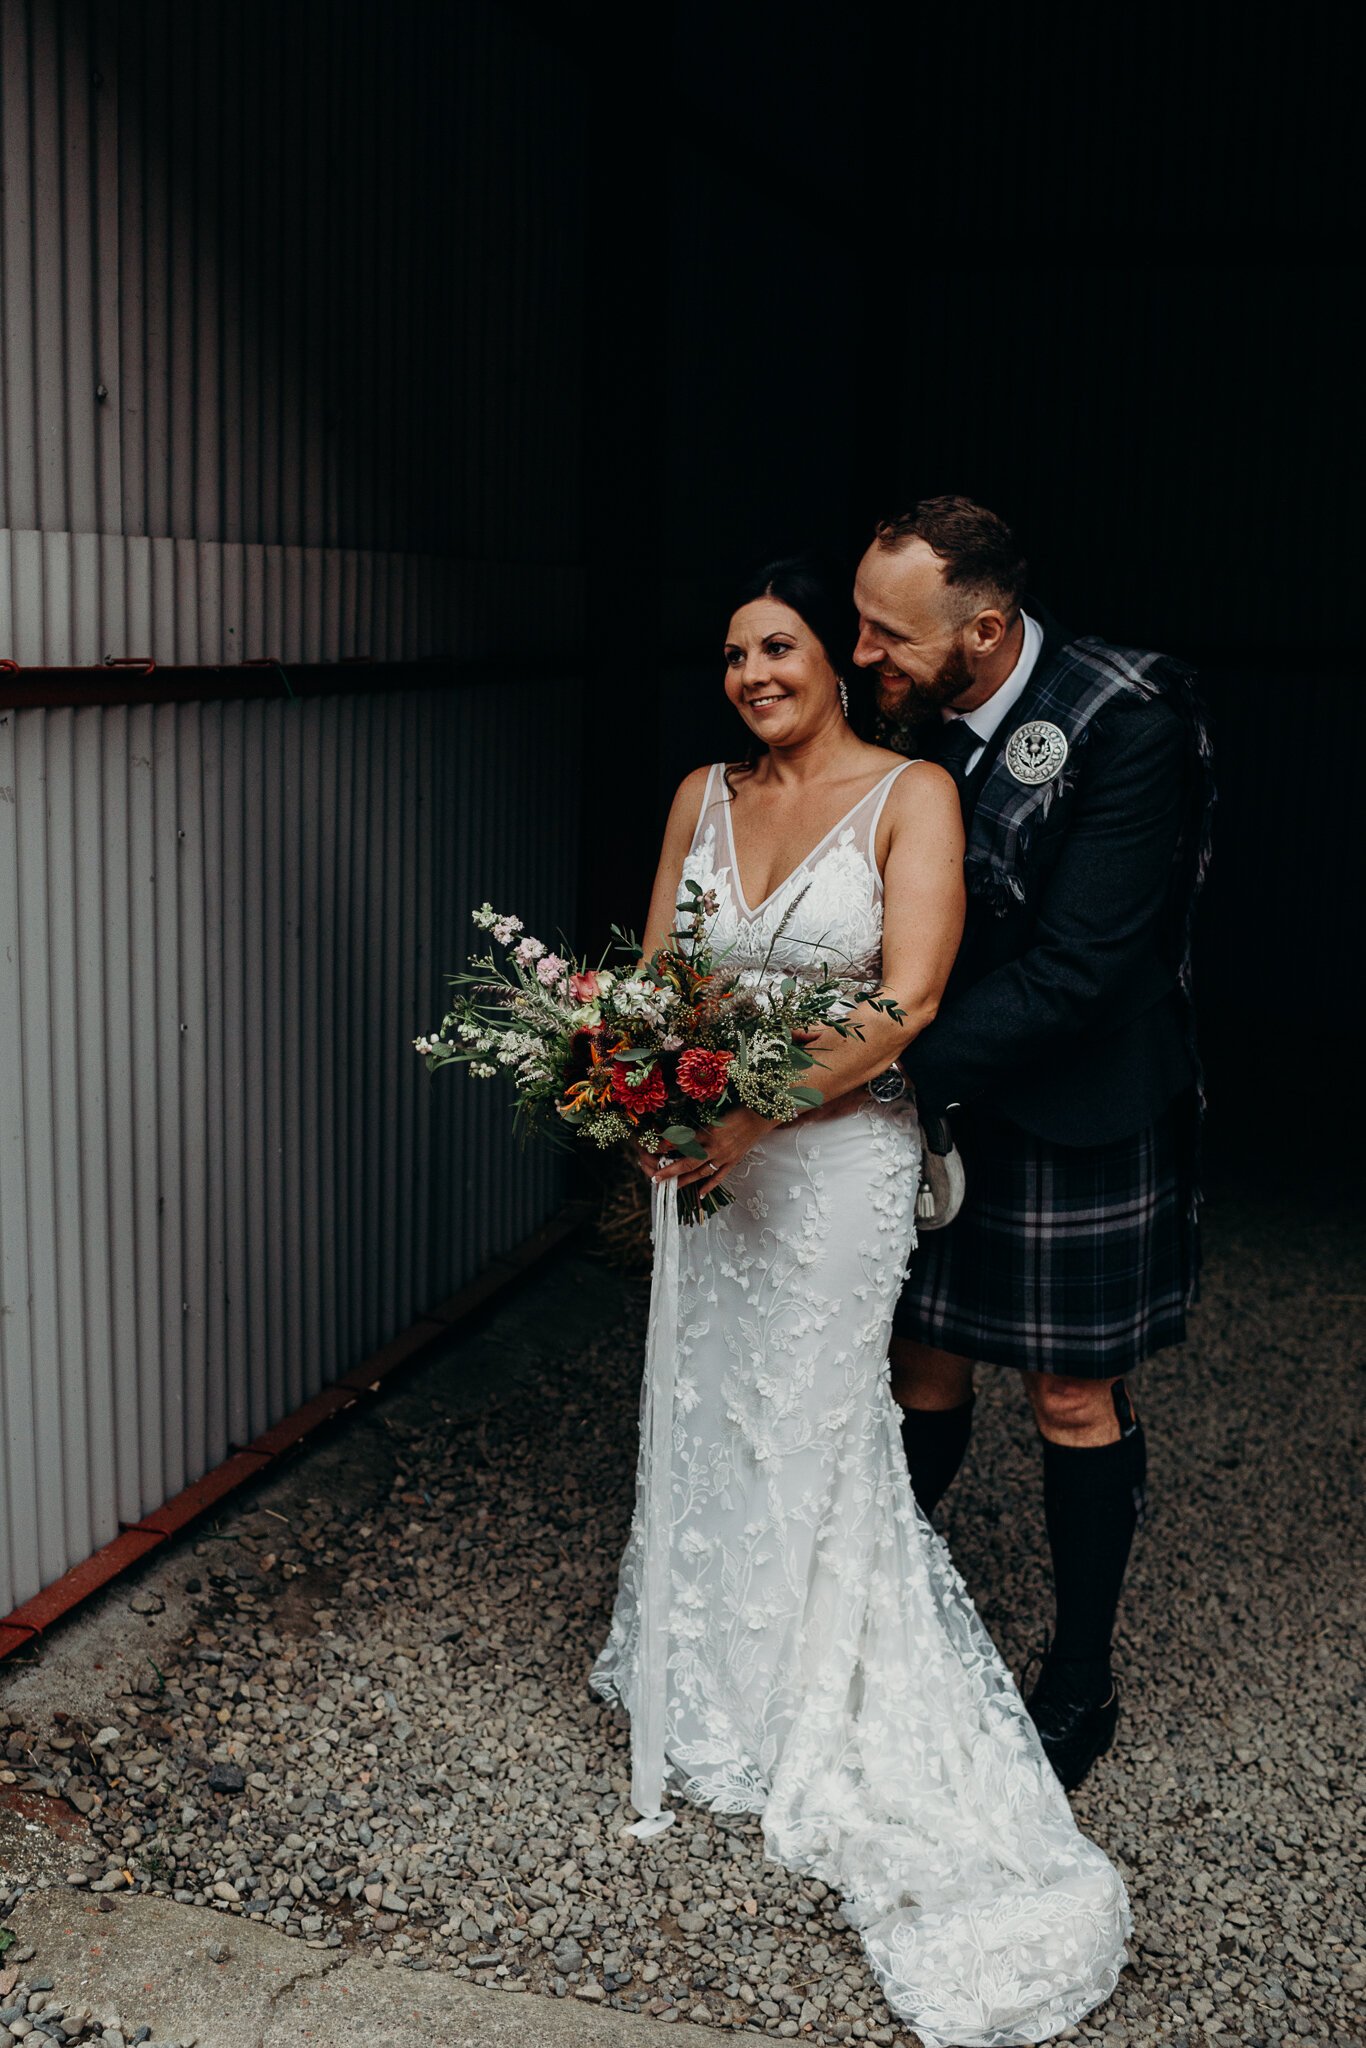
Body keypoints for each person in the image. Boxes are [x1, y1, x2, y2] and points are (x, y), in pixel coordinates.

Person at [592, 557, 1131, 2048]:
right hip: (708, 1153)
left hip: (831, 1166)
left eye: (775, 647)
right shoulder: (701, 793)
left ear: (834, 659)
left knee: (811, 1411)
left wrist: (752, 1115)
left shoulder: (912, 797)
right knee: (705, 1400)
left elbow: (906, 1000)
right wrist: (641, 1094)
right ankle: (700, 1671)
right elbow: (653, 978)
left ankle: (809, 1699)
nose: (750, 675)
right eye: (728, 657)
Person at [853, 497, 1213, 1794]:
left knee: (1069, 1397)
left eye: (887, 635)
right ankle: (882, 1624)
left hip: (1076, 1108)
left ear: (986, 631)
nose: (860, 655)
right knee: (918, 1369)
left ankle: (1077, 1674)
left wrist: (853, 1066)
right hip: (941, 1103)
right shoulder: (907, 721)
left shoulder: (1125, 722)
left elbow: (1079, 973)